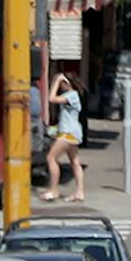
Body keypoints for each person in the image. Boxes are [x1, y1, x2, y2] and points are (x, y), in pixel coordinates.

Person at [42, 72, 87, 203]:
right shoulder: (73, 96)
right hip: (72, 132)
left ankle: (54, 190)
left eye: (61, 84)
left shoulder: (71, 95)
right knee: (75, 162)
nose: (60, 86)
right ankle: (79, 192)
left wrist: (55, 82)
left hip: (67, 133)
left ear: (67, 84)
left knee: (51, 158)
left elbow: (51, 99)